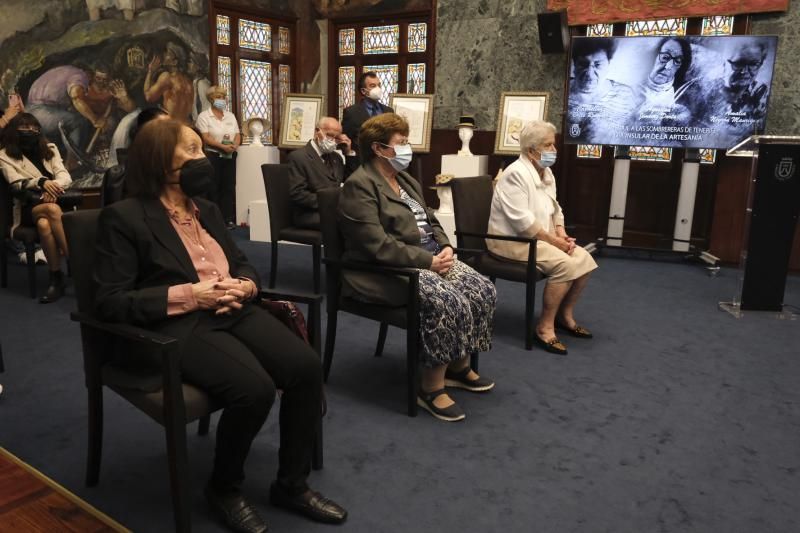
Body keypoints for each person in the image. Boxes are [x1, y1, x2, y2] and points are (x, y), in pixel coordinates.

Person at [93, 119, 347, 533]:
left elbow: (243, 263)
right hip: (178, 325)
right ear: (160, 159)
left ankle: (291, 485)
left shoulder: (207, 210)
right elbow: (110, 301)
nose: (204, 158)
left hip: (233, 310)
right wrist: (193, 295)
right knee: (254, 390)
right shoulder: (123, 218)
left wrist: (246, 286)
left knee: (305, 367)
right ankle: (223, 489)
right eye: (192, 150)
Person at [338, 113, 496, 422]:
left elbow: (430, 219)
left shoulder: (405, 179)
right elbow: (377, 246)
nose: (407, 148)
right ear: (378, 148)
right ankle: (430, 387)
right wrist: (428, 261)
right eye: (401, 142)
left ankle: (458, 367)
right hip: (385, 269)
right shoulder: (360, 185)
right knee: (447, 300)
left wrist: (445, 245)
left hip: (430, 258)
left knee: (481, 289)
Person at [487, 120, 597, 356]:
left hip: (540, 238)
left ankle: (564, 316)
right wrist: (555, 242)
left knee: (585, 260)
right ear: (531, 150)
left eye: (553, 144)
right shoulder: (515, 174)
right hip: (510, 241)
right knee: (565, 264)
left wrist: (561, 232)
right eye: (548, 145)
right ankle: (544, 327)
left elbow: (555, 208)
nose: (554, 150)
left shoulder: (546, 172)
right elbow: (522, 222)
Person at [0, 113, 72, 303]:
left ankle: (56, 278)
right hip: (26, 207)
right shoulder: (4, 155)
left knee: (44, 225)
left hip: (52, 201)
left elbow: (65, 176)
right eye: (25, 127)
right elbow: (16, 183)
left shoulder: (50, 149)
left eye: (34, 128)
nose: (30, 131)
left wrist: (52, 187)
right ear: (14, 130)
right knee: (52, 211)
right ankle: (77, 263)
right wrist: (41, 182)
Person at [27, 64, 135, 158]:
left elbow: (132, 110)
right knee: (76, 123)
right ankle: (73, 160)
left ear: (110, 79)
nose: (101, 82)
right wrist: (95, 120)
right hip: (82, 124)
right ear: (92, 76)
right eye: (98, 78)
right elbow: (75, 103)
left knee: (110, 123)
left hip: (102, 127)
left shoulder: (112, 91)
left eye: (105, 79)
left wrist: (124, 97)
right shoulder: (82, 85)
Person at [288, 116, 357, 229]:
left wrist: (348, 153)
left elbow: (351, 180)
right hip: (309, 213)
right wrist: (330, 203)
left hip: (333, 211)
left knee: (362, 216)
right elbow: (298, 194)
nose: (333, 141)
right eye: (329, 135)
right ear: (317, 132)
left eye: (337, 138)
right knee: (349, 222)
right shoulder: (298, 157)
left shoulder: (336, 157)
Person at [566, 38, 638, 144]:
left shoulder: (626, 95)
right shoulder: (563, 91)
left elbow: (631, 136)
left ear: (608, 64)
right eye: (583, 64)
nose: (589, 73)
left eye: (598, 65)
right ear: (574, 65)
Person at [195, 86, 240, 228]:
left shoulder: (230, 116)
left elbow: (237, 134)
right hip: (213, 155)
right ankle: (214, 220)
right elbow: (205, 137)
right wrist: (222, 146)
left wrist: (234, 145)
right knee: (213, 187)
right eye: (218, 97)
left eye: (223, 96)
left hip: (230, 155)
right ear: (211, 99)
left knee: (229, 186)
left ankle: (228, 219)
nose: (222, 99)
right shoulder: (204, 116)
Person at [636, 37, 693, 128]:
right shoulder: (630, 84)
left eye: (677, 61)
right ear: (654, 56)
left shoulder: (678, 104)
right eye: (665, 57)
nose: (668, 66)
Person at [341, 72, 393, 162]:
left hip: (385, 162)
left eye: (379, 85)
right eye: (373, 86)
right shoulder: (351, 113)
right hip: (362, 163)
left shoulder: (388, 111)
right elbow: (346, 141)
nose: (377, 89)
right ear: (363, 91)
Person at [144, 42, 194, 121]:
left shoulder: (167, 77)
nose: (164, 55)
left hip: (171, 124)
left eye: (168, 53)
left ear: (175, 62)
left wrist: (150, 71)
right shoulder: (188, 80)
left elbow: (148, 96)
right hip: (185, 123)